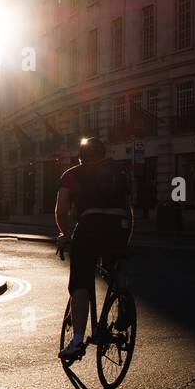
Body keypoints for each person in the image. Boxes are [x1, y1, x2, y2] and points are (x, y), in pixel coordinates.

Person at [55, 138, 133, 361]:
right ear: (105, 154)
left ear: (81, 156)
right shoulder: (121, 172)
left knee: (80, 283)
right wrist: (126, 240)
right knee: (112, 269)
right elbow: (128, 211)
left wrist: (66, 235)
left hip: (89, 227)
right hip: (118, 227)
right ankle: (122, 296)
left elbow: (61, 210)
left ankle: (77, 341)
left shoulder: (72, 174)